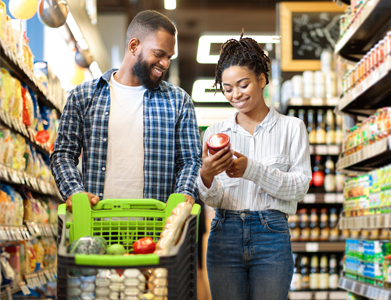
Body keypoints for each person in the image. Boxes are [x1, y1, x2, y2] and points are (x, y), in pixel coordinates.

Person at [197, 33, 312, 300]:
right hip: (224, 233)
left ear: (261, 79)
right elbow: (212, 199)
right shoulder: (215, 133)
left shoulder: (291, 128)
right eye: (227, 88)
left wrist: (252, 170)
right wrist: (206, 176)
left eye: (243, 84)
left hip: (272, 235)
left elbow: (299, 187)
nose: (235, 94)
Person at [50, 10, 202, 212]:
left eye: (169, 57)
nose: (165, 63)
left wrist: (184, 193)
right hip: (97, 225)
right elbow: (62, 154)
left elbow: (190, 160)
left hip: (157, 228)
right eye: (158, 54)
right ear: (133, 46)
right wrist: (75, 192)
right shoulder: (84, 96)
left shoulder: (178, 101)